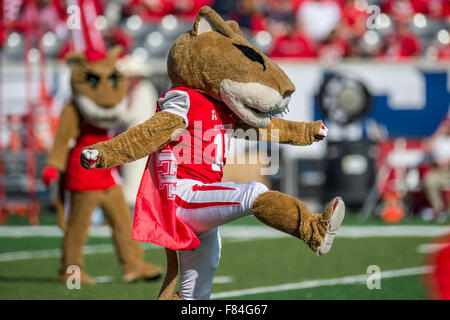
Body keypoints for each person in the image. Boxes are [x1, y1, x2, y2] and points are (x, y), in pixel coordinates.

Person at [424, 116, 450, 220]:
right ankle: (439, 210)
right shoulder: (438, 139)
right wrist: (438, 133)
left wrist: (446, 161)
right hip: (438, 170)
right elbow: (427, 147)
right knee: (429, 181)